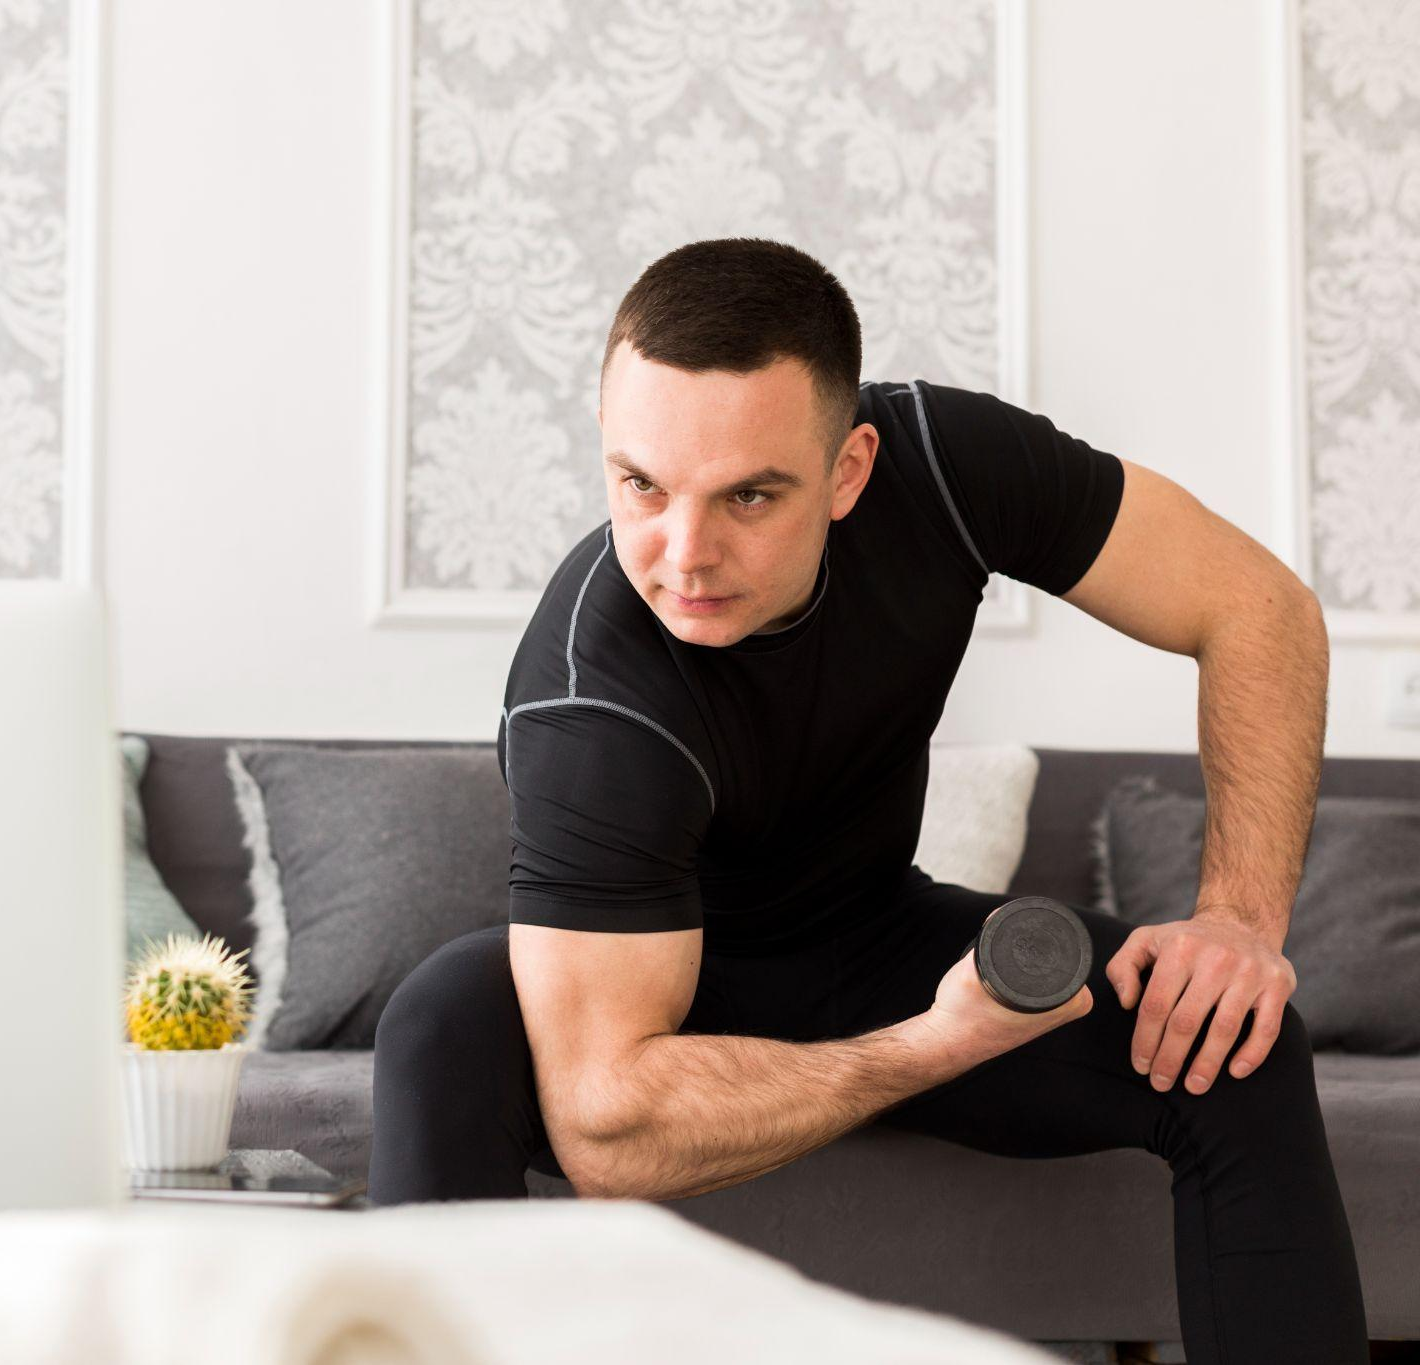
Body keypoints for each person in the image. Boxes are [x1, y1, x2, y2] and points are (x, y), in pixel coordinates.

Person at [368, 237, 1367, 1364]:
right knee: (443, 1023)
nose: (681, 555)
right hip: (665, 993)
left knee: (1232, 1037)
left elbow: (1254, 608)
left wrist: (1236, 918)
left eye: (750, 494)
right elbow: (610, 1132)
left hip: (871, 931)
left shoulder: (943, 468)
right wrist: (932, 1045)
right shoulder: (586, 708)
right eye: (639, 485)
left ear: (848, 471)